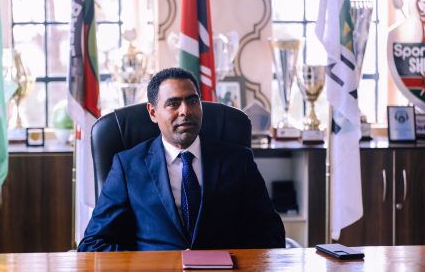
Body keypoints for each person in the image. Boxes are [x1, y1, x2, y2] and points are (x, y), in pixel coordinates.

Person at [78, 67, 285, 251]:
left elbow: (270, 233)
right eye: (173, 103)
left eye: (193, 101)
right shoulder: (127, 166)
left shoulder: (238, 161)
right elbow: (94, 243)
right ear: (153, 112)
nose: (185, 111)